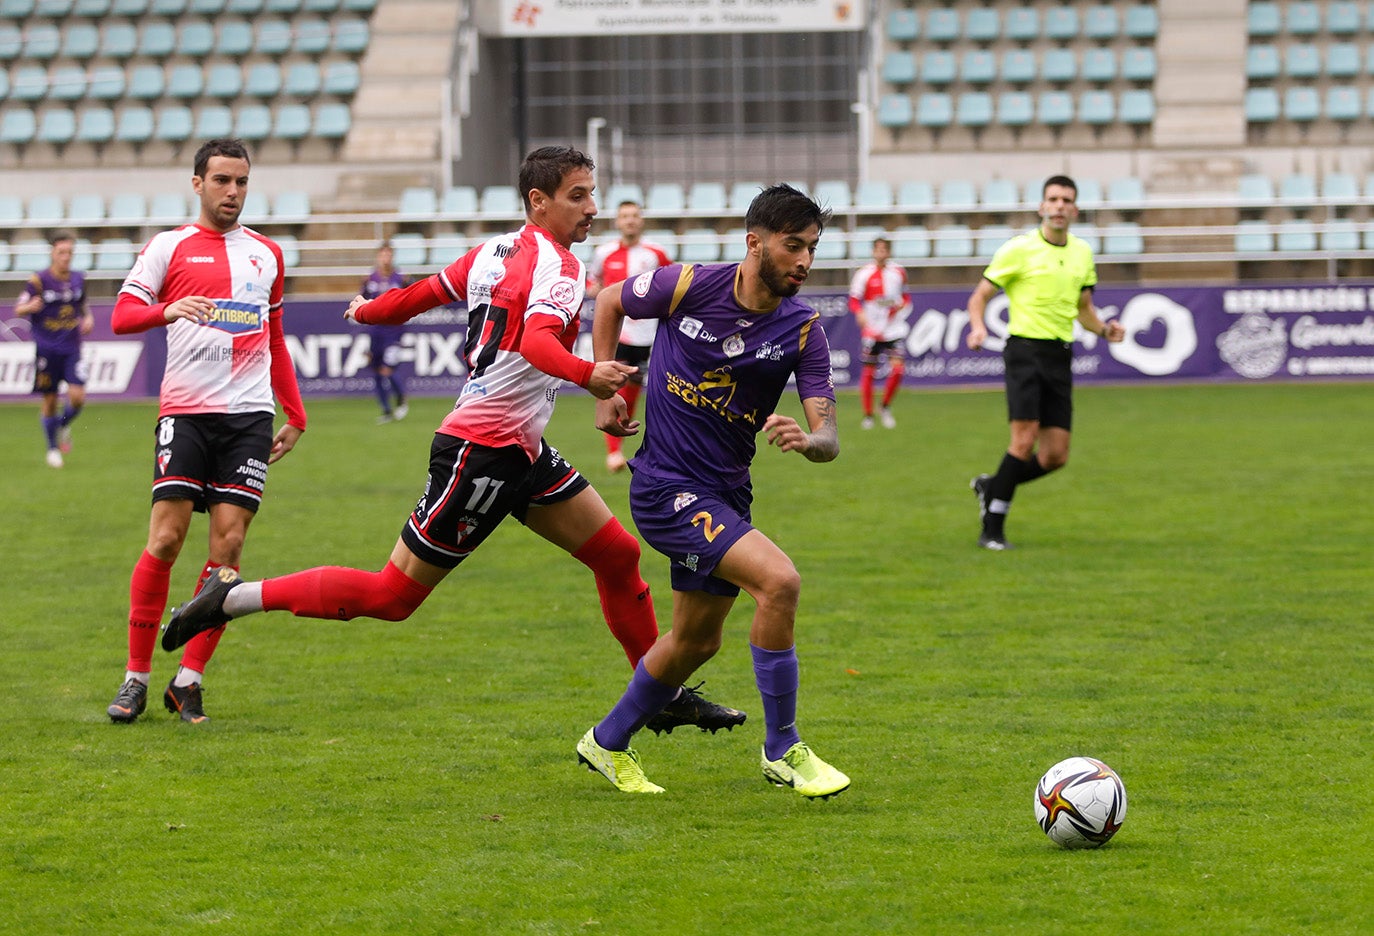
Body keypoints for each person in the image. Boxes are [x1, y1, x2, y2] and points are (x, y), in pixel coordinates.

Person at [159, 145, 746, 738]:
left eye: (592, 193)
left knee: (616, 555)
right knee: (393, 596)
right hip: (482, 452)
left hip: (522, 450)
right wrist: (590, 374)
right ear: (538, 202)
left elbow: (420, 296)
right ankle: (230, 596)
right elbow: (537, 343)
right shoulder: (561, 267)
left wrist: (368, 312)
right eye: (578, 196)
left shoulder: (493, 251)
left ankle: (660, 694)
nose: (591, 207)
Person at [575, 183, 851, 799]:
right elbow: (610, 300)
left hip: (727, 495)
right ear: (754, 243)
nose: (805, 261)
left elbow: (830, 432)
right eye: (793, 246)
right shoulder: (687, 285)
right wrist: (605, 389)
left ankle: (605, 742)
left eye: (812, 247)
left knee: (696, 641)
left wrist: (812, 442)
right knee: (779, 582)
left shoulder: (804, 329)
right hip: (665, 488)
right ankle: (783, 749)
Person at [105, 137, 308, 724]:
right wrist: (164, 309)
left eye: (241, 181)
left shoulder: (267, 254)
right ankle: (135, 679)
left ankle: (187, 679)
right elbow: (121, 316)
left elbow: (273, 339)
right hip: (186, 413)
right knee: (165, 540)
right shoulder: (168, 247)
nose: (233, 192)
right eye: (221, 180)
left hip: (248, 418)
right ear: (198, 184)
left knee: (229, 548)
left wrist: (295, 413)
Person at [964, 175, 1124, 551]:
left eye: (1066, 200)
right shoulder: (1019, 249)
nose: (1059, 206)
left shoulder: (1082, 253)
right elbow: (979, 296)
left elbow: (1084, 310)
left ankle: (991, 485)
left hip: (1059, 354)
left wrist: (1104, 330)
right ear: (1041, 207)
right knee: (1022, 442)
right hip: (1024, 352)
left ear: (1075, 210)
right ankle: (993, 529)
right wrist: (976, 328)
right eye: (1052, 199)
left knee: (1055, 456)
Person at [585, 200, 672, 472]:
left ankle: (663, 451)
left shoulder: (656, 253)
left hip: (652, 334)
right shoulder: (604, 252)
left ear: (641, 220)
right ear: (618, 222)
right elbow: (591, 280)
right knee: (614, 389)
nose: (630, 220)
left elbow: (673, 282)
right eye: (625, 216)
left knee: (659, 394)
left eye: (635, 215)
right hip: (619, 334)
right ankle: (614, 453)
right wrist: (593, 289)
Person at [14, 231, 93, 468]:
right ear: (52, 253)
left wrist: (88, 317)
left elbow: (82, 305)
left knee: (77, 397)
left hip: (72, 348)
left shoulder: (78, 278)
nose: (66, 257)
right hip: (47, 349)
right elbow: (18, 309)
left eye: (69, 252)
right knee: (50, 399)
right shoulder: (38, 280)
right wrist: (29, 306)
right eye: (61, 252)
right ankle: (52, 448)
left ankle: (62, 425)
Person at [847, 235, 910, 430]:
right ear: (873, 252)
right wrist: (860, 314)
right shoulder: (863, 274)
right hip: (872, 329)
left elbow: (906, 297)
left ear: (889, 252)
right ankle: (868, 415)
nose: (881, 253)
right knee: (869, 372)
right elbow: (854, 300)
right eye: (878, 249)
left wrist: (899, 308)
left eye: (885, 249)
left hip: (893, 329)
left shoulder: (898, 272)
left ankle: (884, 406)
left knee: (898, 369)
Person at [360, 241, 410, 424]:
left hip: (394, 331)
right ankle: (387, 410)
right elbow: (362, 303)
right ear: (378, 257)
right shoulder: (369, 280)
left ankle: (401, 397)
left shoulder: (401, 279)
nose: (386, 258)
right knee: (376, 371)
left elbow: (409, 301)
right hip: (375, 331)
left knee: (388, 369)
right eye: (383, 254)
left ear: (392, 257)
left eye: (389, 254)